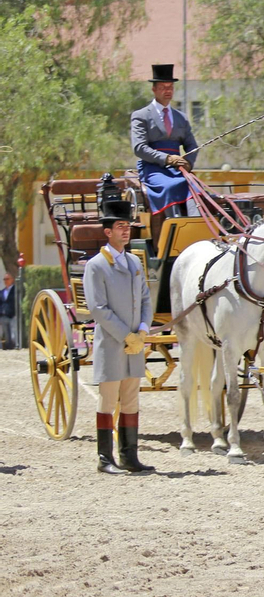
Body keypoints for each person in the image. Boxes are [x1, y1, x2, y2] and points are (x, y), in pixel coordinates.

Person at [82, 196, 153, 474]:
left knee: (132, 400)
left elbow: (146, 299)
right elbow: (98, 309)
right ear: (108, 231)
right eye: (120, 226)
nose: (126, 230)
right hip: (112, 344)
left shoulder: (135, 262)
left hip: (135, 343)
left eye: (128, 226)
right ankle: (105, 459)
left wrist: (143, 330)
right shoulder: (96, 265)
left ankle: (129, 456)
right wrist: (127, 335)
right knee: (108, 401)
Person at [131, 64, 200, 222]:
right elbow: (139, 148)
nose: (167, 91)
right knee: (169, 187)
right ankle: (175, 225)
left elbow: (192, 145)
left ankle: (196, 224)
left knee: (195, 186)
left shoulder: (181, 117)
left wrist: (188, 163)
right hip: (153, 168)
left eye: (170, 87)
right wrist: (167, 159)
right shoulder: (141, 116)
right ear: (154, 89)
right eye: (163, 87)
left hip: (178, 168)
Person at [0, 270, 15, 351]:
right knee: (6, 333)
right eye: (4, 279)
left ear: (12, 279)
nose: (6, 281)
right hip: (3, 315)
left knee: (13, 333)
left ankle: (13, 346)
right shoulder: (2, 292)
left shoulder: (15, 290)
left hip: (13, 315)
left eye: (7, 279)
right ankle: (8, 347)